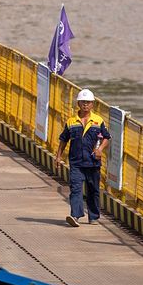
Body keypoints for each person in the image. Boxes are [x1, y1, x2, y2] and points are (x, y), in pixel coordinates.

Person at [55, 88, 110, 226]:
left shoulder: (98, 121)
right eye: (83, 102)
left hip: (93, 163)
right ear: (78, 104)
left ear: (92, 104)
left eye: (88, 102)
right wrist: (58, 156)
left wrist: (100, 149)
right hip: (76, 163)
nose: (85, 104)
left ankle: (93, 216)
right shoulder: (71, 122)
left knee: (93, 190)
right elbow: (63, 140)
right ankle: (75, 216)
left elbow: (107, 138)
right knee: (76, 189)